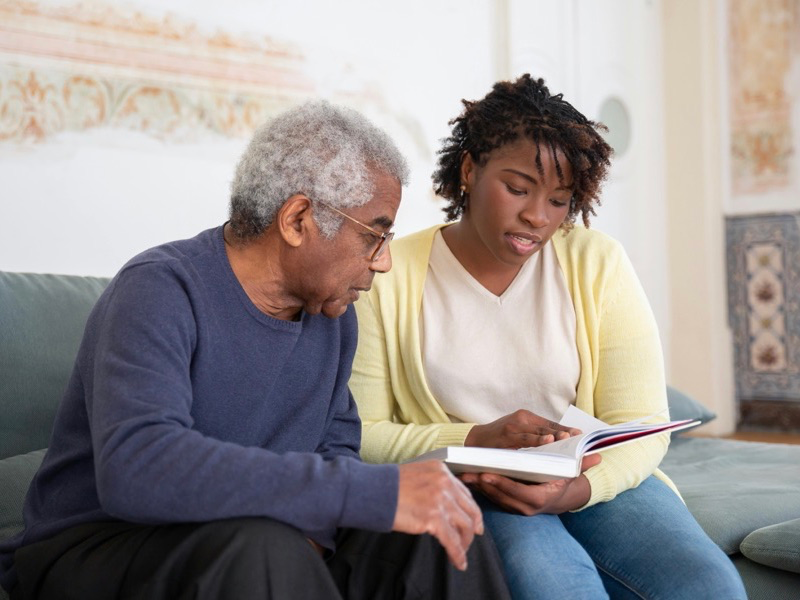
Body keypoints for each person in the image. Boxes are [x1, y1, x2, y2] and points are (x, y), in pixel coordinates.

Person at [0, 101, 511, 600]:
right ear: (297, 220)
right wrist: (363, 494)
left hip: (255, 547)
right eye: (373, 237)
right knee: (266, 548)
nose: (383, 264)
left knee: (443, 527)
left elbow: (334, 450)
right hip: (99, 546)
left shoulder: (331, 316)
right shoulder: (159, 289)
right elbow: (138, 467)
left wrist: (327, 526)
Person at [350, 75, 747, 599]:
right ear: (469, 169)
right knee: (554, 585)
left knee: (710, 586)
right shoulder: (387, 273)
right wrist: (474, 439)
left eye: (559, 200)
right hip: (479, 484)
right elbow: (363, 434)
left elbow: (644, 424)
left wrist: (579, 489)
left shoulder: (596, 262)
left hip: (594, 477)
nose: (537, 217)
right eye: (517, 189)